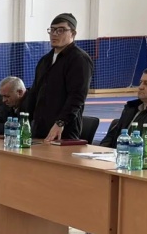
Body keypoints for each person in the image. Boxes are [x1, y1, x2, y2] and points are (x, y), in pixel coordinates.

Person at [22, 13, 94, 141]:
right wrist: (24, 120)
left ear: (73, 33)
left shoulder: (79, 60)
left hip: (63, 130)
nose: (54, 34)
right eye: (52, 30)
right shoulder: (45, 60)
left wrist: (60, 122)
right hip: (40, 128)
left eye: (61, 30)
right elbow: (35, 93)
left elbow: (77, 96)